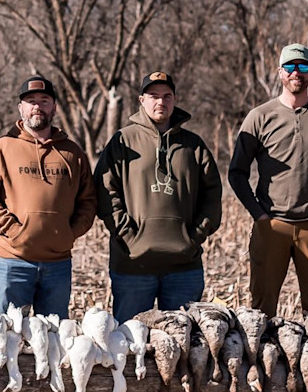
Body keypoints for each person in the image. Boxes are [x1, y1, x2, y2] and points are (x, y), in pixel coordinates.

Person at [229, 43, 308, 321]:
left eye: (302, 67)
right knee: (260, 311)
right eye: (290, 67)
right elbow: (236, 172)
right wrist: (258, 214)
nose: (296, 72)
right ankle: (260, 362)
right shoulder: (259, 117)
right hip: (271, 225)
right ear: (280, 73)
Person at [94, 71, 222, 323]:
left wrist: (193, 237)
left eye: (167, 96)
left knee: (185, 345)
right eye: (153, 96)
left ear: (175, 100)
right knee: (129, 344)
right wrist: (129, 237)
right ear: (141, 100)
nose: (160, 102)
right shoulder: (123, 141)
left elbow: (213, 196)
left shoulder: (193, 145)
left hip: (184, 267)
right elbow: (105, 192)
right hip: (133, 265)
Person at [0, 76, 96, 318]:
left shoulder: (73, 153)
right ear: (21, 108)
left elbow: (88, 201)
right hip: (13, 260)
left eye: (44, 101)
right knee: (6, 334)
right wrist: (14, 231)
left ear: (54, 107)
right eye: (31, 101)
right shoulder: (2, 148)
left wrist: (68, 234)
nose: (37, 107)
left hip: (58, 263)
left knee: (54, 338)